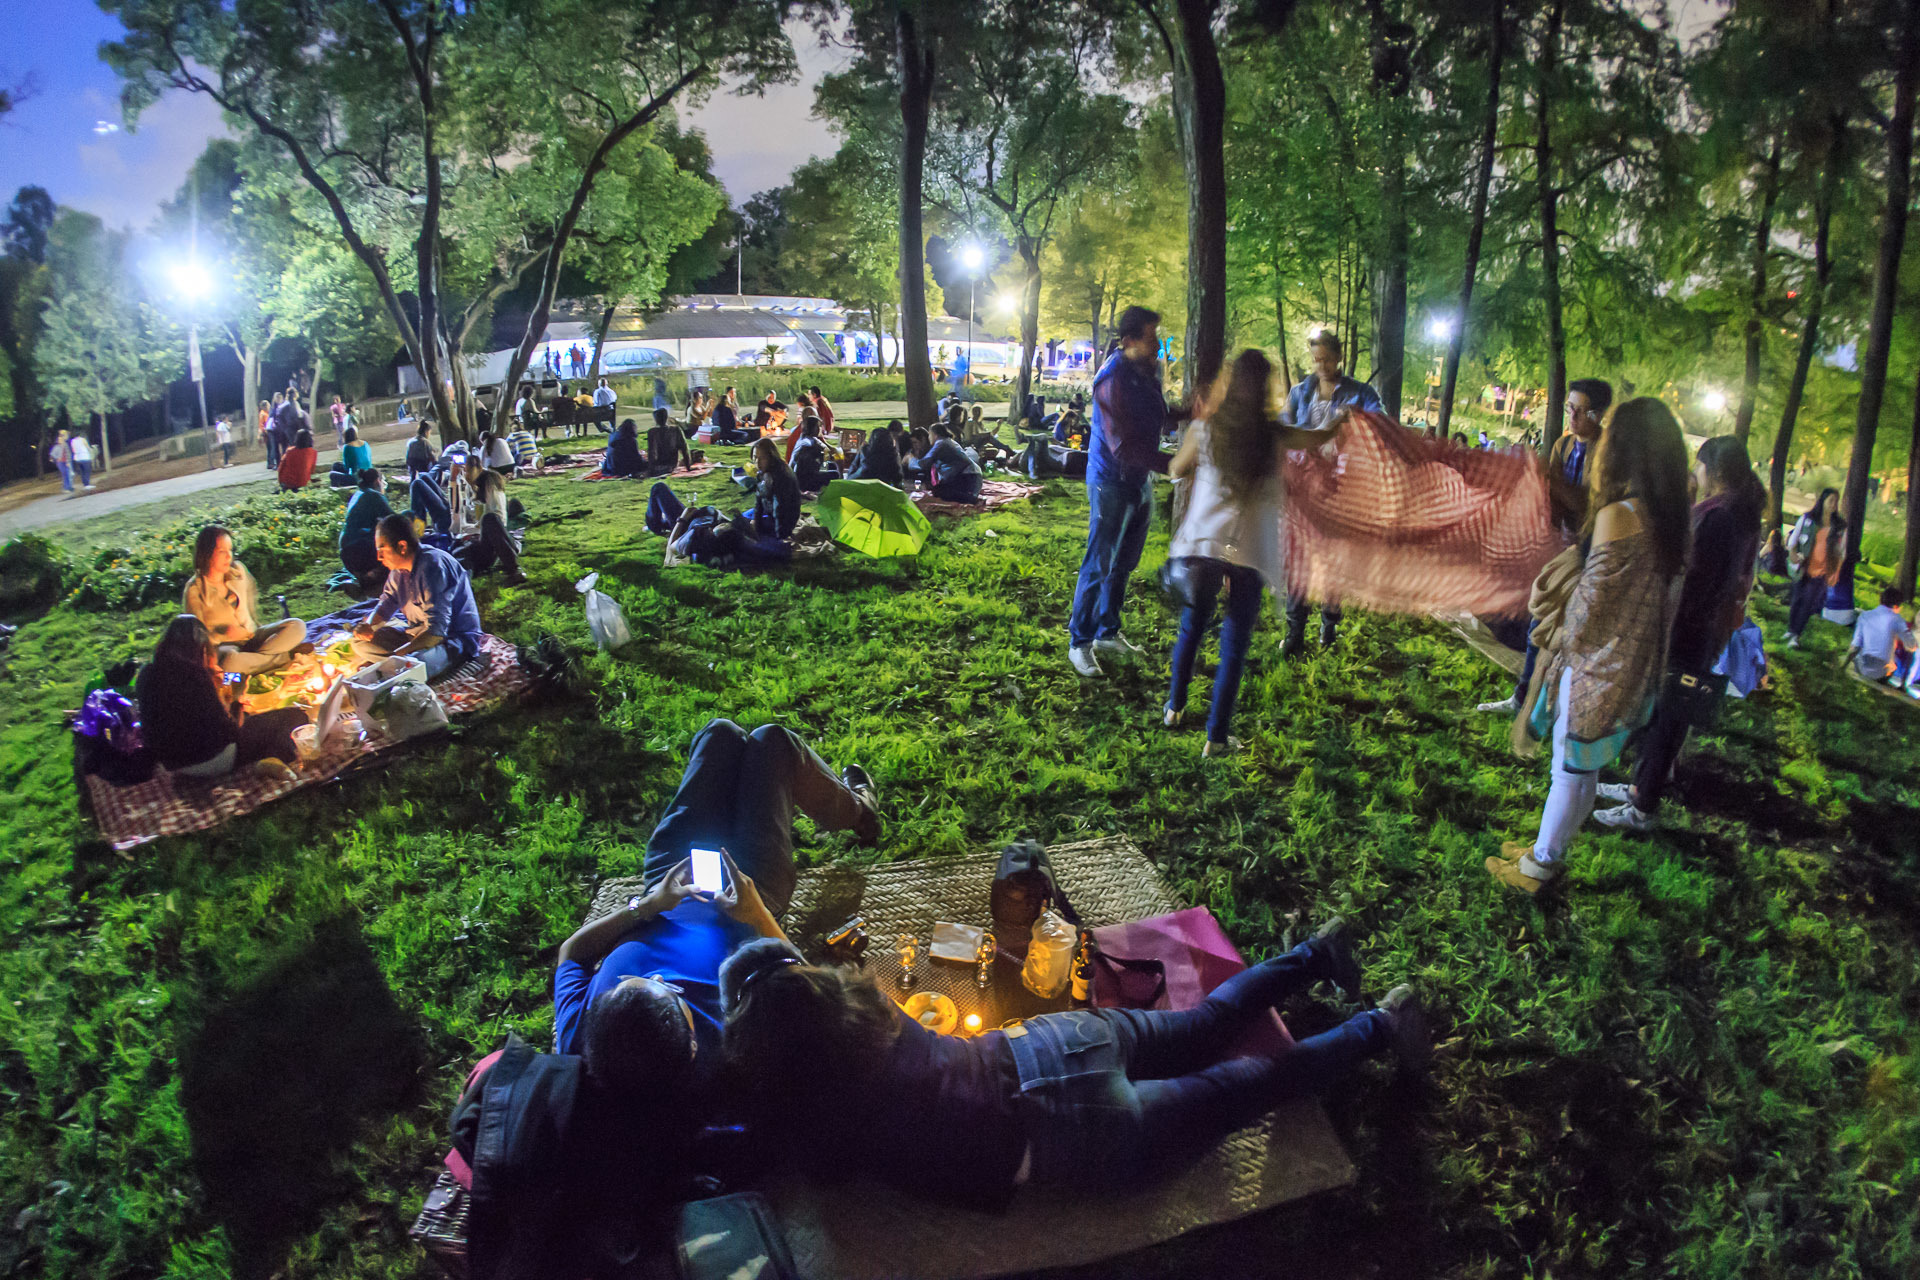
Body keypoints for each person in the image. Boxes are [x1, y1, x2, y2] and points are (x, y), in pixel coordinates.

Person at [718, 919, 1424, 1212]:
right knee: (1205, 1025)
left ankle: (1383, 1026)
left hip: (1071, 1135)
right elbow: (791, 980)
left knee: (1252, 1086)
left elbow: (800, 1164)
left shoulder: (819, 1123)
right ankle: (1316, 954)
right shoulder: (865, 1007)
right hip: (1049, 1045)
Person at [549, 718, 879, 1136]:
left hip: (670, 883)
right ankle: (862, 812)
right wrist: (758, 913)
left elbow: (571, 955)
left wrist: (647, 907)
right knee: (771, 743)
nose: (656, 976)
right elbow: (809, 989)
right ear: (691, 1042)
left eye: (628, 979)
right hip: (750, 892)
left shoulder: (584, 1044)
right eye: (668, 989)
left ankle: (824, 801)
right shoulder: (730, 1062)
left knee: (720, 735)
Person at [1488, 397, 1692, 894]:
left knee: (1569, 769)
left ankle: (1540, 865)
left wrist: (1559, 631)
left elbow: (1591, 600)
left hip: (1597, 661)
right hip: (1631, 658)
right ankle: (1547, 848)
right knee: (1585, 768)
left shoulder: (1621, 514)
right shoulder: (1671, 515)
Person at [1165, 350, 1336, 757]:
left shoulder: (1206, 431)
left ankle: (1174, 707)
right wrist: (1342, 422)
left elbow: (1175, 470)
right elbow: (1319, 438)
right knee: (1234, 646)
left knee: (1192, 627)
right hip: (1249, 552)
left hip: (1203, 545)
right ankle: (1216, 738)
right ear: (1265, 389)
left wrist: (1194, 469)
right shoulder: (1275, 435)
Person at [1591, 435, 1765, 834]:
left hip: (1688, 628)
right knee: (1663, 710)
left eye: (1699, 465)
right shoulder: (1734, 511)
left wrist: (1668, 615)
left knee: (1668, 713)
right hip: (1701, 627)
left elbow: (1697, 578)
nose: (1695, 473)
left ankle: (1643, 806)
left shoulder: (1720, 516)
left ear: (1714, 470)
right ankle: (1639, 787)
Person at [1479, 377, 1614, 714]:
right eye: (1569, 408)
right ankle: (1530, 697)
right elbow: (1552, 500)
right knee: (1537, 620)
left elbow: (1592, 508)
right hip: (1560, 548)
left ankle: (1548, 702)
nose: (1571, 416)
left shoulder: (1609, 455)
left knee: (1562, 629)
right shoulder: (1563, 445)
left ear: (1597, 415)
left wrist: (1551, 480)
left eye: (1579, 411)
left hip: (1589, 553)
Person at [1068, 306, 1175, 678]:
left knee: (1124, 562)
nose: (1157, 345)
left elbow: (1159, 415)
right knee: (1099, 562)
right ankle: (1079, 642)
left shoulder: (1146, 372)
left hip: (1139, 480)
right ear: (1128, 341)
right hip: (1111, 479)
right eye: (1150, 337)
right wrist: (1171, 465)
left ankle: (1107, 632)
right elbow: (1122, 446)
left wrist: (1193, 411)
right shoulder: (1110, 381)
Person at [1278, 331, 1384, 655]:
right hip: (1303, 488)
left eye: (1326, 358)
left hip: (1339, 489)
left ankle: (1329, 624)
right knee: (1298, 560)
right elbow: (1285, 429)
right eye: (1316, 359)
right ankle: (1295, 631)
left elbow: (1380, 425)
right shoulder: (1300, 392)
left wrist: (1359, 421)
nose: (1321, 365)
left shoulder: (1361, 393)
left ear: (1338, 356)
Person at [135, 615, 309, 780]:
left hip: (173, 765)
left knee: (238, 675)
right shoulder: (197, 677)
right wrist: (234, 702)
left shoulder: (146, 673)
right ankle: (274, 757)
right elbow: (230, 732)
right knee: (295, 716)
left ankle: (276, 660)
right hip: (216, 758)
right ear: (203, 650)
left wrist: (228, 680)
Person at [350, 515, 486, 679]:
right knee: (358, 643)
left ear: (402, 546)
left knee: (414, 662)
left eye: (382, 550)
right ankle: (392, 666)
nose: (379, 558)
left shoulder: (432, 568)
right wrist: (368, 625)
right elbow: (386, 604)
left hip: (451, 642)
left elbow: (436, 632)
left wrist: (401, 653)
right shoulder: (398, 572)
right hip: (416, 635)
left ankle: (393, 667)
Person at [182, 525, 309, 674]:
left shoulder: (239, 571)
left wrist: (262, 632)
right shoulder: (195, 590)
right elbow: (197, 637)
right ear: (206, 554)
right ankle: (282, 658)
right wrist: (223, 633)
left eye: (230, 550)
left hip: (253, 637)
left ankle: (259, 660)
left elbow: (251, 607)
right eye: (222, 551)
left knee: (298, 626)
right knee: (230, 666)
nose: (228, 556)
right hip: (227, 649)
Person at [1784, 488, 1846, 647]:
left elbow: (1840, 551)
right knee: (1797, 599)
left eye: (1835, 501)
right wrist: (1793, 553)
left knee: (1808, 603)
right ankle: (1791, 629)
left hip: (1821, 571)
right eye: (1831, 500)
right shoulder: (1808, 519)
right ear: (1823, 501)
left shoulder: (1838, 526)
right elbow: (1794, 538)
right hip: (1804, 566)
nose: (1833, 505)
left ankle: (1796, 635)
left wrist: (1835, 571)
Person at [458, 462, 527, 584]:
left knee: (489, 518)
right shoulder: (492, 504)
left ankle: (514, 571)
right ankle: (514, 569)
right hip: (481, 549)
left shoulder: (491, 505)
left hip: (486, 549)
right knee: (489, 519)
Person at [1841, 587, 1916, 685]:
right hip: (1882, 672)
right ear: (1897, 606)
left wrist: (1844, 666)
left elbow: (1855, 645)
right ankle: (1901, 684)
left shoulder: (1864, 616)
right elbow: (1912, 646)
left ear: (1880, 600)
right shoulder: (1898, 620)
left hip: (1861, 666)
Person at [340, 468, 395, 589]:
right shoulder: (374, 495)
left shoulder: (358, 494)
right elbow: (394, 521)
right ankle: (372, 575)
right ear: (377, 481)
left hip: (346, 552)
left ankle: (365, 576)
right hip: (360, 551)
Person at [913, 421, 984, 503]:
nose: (929, 437)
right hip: (971, 476)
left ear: (934, 434)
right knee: (938, 489)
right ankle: (969, 497)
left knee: (940, 491)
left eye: (930, 434)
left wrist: (911, 459)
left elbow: (924, 463)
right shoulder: (947, 441)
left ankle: (971, 499)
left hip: (969, 477)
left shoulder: (941, 443)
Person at [790, 417, 838, 493]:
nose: (820, 429)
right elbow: (825, 462)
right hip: (805, 481)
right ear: (814, 428)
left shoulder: (802, 439)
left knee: (832, 466)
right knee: (835, 473)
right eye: (819, 426)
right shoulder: (813, 443)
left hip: (795, 476)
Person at [263, 394, 285, 469]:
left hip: (275, 428)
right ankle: (277, 463)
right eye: (278, 398)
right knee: (275, 447)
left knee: (278, 447)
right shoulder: (274, 409)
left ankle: (279, 463)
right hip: (273, 429)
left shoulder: (275, 408)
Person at [49, 429, 72, 494]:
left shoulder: (65, 445)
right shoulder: (56, 447)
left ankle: (68, 487)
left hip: (66, 462)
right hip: (60, 462)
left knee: (67, 474)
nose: (60, 440)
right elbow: (52, 454)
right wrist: (56, 458)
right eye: (59, 439)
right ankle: (66, 488)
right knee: (64, 474)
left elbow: (68, 453)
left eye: (61, 439)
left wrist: (68, 461)